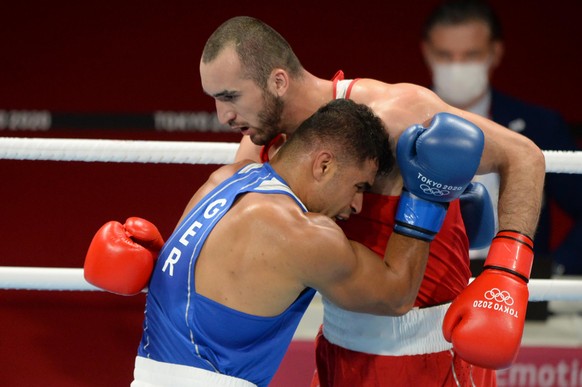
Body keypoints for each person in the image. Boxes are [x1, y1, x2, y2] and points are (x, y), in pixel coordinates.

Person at [199, 16, 545, 386]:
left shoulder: (395, 112)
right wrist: (153, 257)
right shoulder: (261, 141)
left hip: (430, 356)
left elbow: (523, 157)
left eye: (230, 97)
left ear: (278, 81)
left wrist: (506, 274)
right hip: (338, 351)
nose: (224, 116)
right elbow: (223, 232)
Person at [83, 98, 486, 386]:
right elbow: (396, 294)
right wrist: (427, 197)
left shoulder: (224, 181)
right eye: (359, 185)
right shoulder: (301, 232)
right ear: (324, 164)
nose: (358, 204)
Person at [421, 0, 582, 276]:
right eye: (445, 55)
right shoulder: (398, 120)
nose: (456, 67)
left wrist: (553, 269)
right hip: (418, 289)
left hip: (512, 287)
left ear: (494, 53)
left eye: (470, 55)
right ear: (427, 52)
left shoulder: (540, 125)